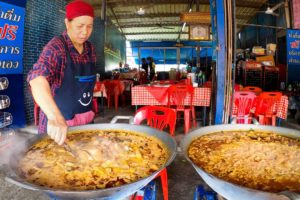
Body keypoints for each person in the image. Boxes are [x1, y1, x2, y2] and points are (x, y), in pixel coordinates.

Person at [27, 0, 96, 145]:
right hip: (58, 128)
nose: (85, 32)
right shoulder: (56, 47)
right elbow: (37, 80)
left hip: (86, 123)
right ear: (67, 23)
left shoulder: (90, 49)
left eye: (89, 26)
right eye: (80, 26)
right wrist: (55, 117)